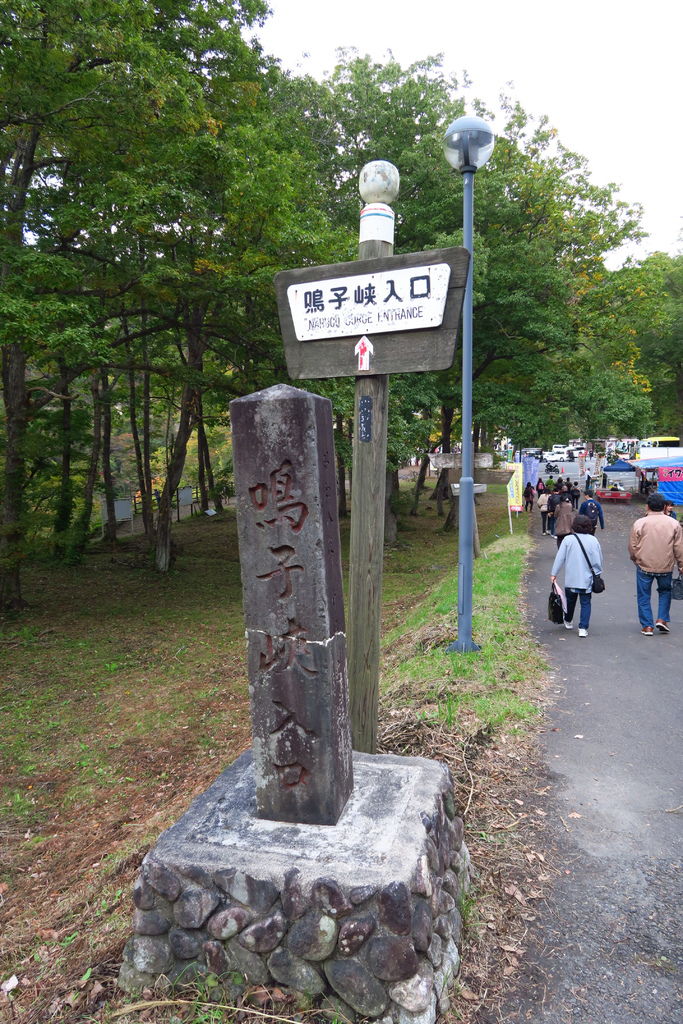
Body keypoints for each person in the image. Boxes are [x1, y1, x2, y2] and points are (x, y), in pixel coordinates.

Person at [628, 491, 683, 635]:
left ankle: (647, 626)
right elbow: (679, 548)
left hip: (644, 565)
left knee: (644, 595)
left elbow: (633, 547)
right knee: (665, 592)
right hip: (666, 566)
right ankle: (662, 619)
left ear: (647, 507)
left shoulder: (640, 523)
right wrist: (681, 565)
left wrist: (636, 559)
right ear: (665, 506)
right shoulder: (674, 524)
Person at [550, 514, 603, 638]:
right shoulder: (593, 540)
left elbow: (560, 558)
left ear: (574, 526)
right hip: (587, 579)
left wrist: (554, 573)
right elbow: (598, 559)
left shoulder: (568, 540)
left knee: (570, 600)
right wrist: (598, 573)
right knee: (586, 602)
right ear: (589, 527)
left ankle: (568, 620)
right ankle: (583, 628)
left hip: (572, 578)